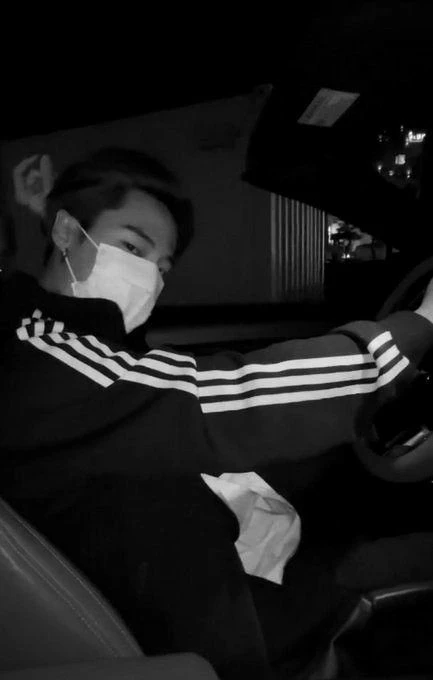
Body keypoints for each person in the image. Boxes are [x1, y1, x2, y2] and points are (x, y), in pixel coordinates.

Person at [2, 147, 433, 680]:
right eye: (132, 248)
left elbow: (122, 361)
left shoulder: (69, 342)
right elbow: (224, 395)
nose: (149, 277)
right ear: (68, 232)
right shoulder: (44, 358)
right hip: (212, 634)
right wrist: (415, 328)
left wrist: (52, 214)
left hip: (203, 580)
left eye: (162, 267)